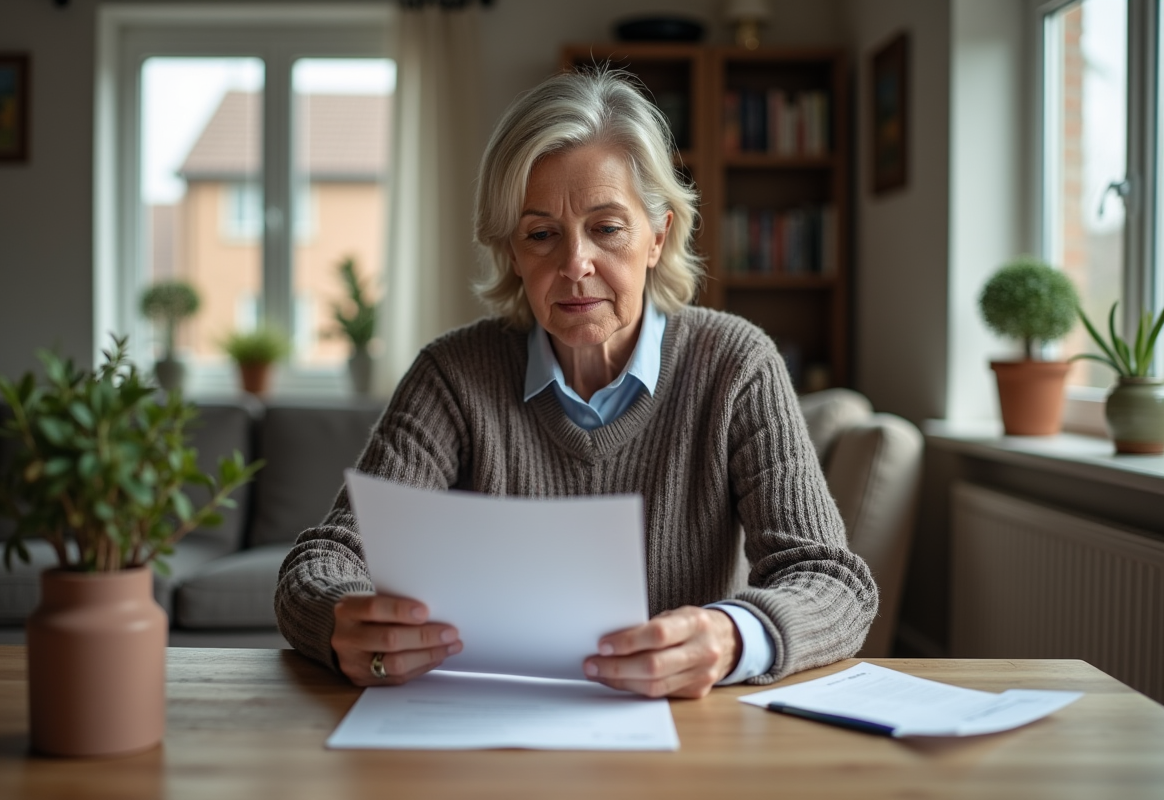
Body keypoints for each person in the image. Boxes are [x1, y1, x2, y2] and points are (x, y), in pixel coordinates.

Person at [274, 69, 877, 699]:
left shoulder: (736, 363)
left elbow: (832, 581)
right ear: (512, 251)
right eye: (541, 234)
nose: (574, 265)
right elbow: (322, 561)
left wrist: (732, 636)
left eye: (607, 228)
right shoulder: (453, 374)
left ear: (658, 236)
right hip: (483, 724)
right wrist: (340, 621)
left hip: (681, 733)